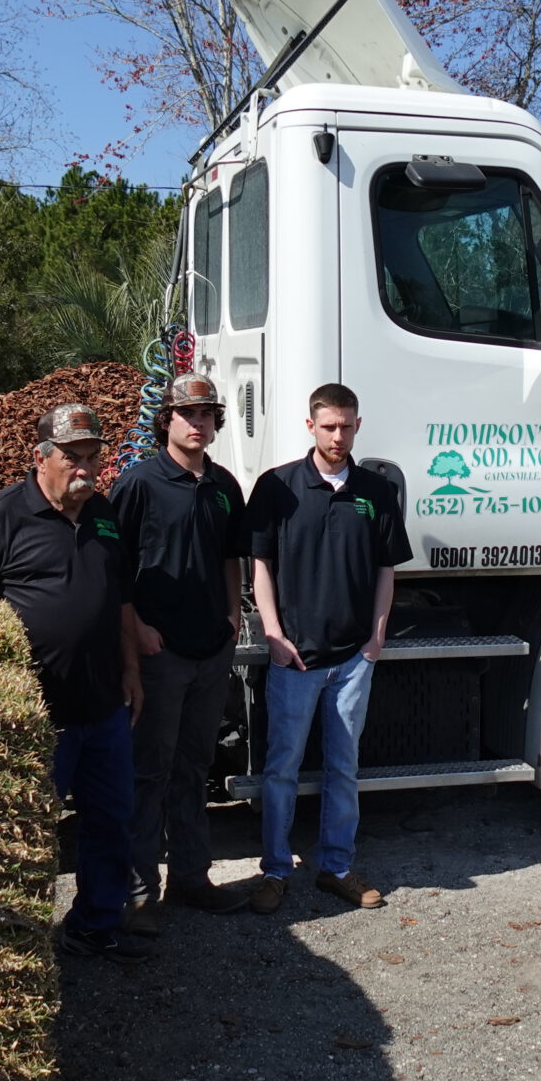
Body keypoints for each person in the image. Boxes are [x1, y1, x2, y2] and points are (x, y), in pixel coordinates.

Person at [0, 402, 150, 962]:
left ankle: (95, 925)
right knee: (28, 831)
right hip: (38, 713)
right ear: (42, 458)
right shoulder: (5, 516)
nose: (86, 468)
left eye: (93, 456)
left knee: (109, 821)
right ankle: (14, 942)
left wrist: (132, 670)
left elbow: (119, 602)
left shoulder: (105, 516)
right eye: (72, 458)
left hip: (105, 706)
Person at [244, 382, 410, 913]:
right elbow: (260, 566)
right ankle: (274, 871)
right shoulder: (277, 487)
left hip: (352, 659)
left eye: (347, 425)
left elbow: (386, 568)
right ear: (310, 425)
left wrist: (376, 636)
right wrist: (272, 633)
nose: (338, 435)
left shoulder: (376, 491)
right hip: (294, 658)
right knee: (281, 769)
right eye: (328, 426)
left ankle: (336, 867)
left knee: (344, 767)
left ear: (358, 425)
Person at [113, 373, 255, 930]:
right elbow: (115, 569)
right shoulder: (139, 484)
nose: (198, 423)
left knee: (195, 768)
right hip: (159, 650)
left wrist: (233, 614)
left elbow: (229, 555)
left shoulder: (224, 486)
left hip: (209, 649)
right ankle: (139, 891)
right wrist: (138, 630)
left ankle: (192, 878)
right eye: (187, 414)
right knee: (150, 770)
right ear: (165, 419)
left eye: (206, 415)